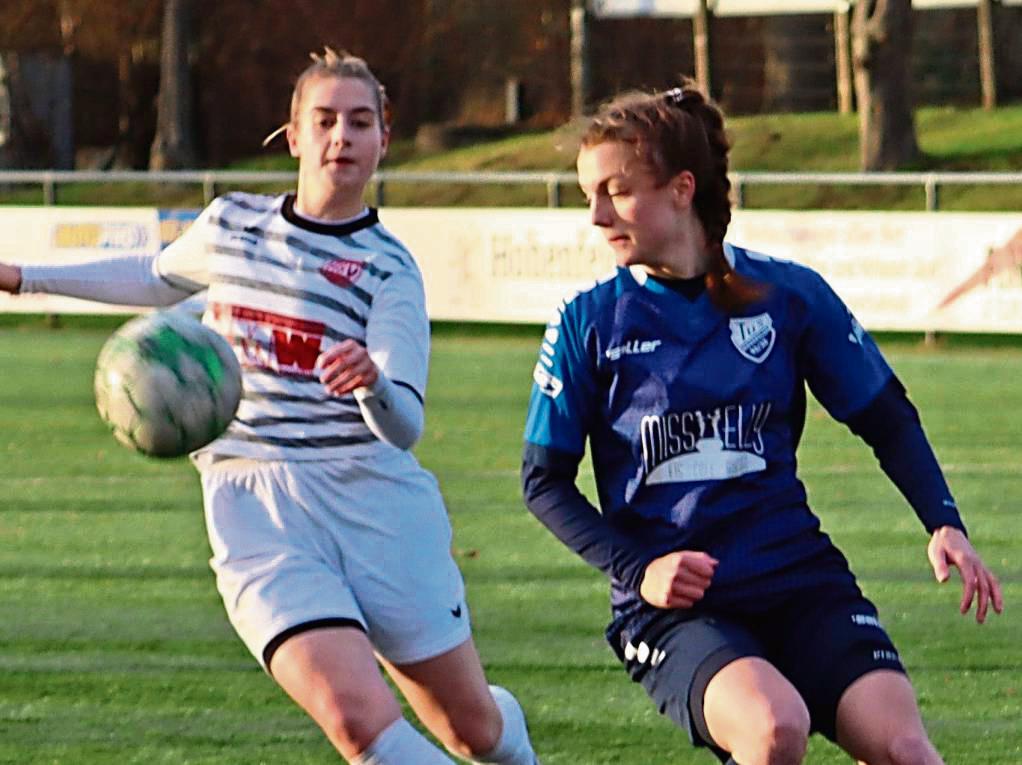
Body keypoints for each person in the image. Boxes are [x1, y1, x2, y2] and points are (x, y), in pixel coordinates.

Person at [0, 48, 539, 765]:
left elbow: (405, 422)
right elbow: (156, 278)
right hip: (254, 503)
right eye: (324, 120)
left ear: (384, 139)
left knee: (474, 732)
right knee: (360, 725)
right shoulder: (231, 226)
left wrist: (371, 382)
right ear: (293, 137)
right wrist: (23, 276)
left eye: (359, 121)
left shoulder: (389, 268)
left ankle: (511, 737)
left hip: (374, 503)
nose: (340, 136)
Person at [520, 81, 1003, 765]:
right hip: (677, 609)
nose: (596, 216)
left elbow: (885, 415)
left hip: (798, 579)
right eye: (587, 194)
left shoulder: (786, 295)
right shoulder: (589, 321)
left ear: (682, 188)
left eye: (616, 191)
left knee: (904, 748)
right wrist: (641, 568)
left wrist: (943, 520)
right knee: (776, 728)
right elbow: (542, 480)